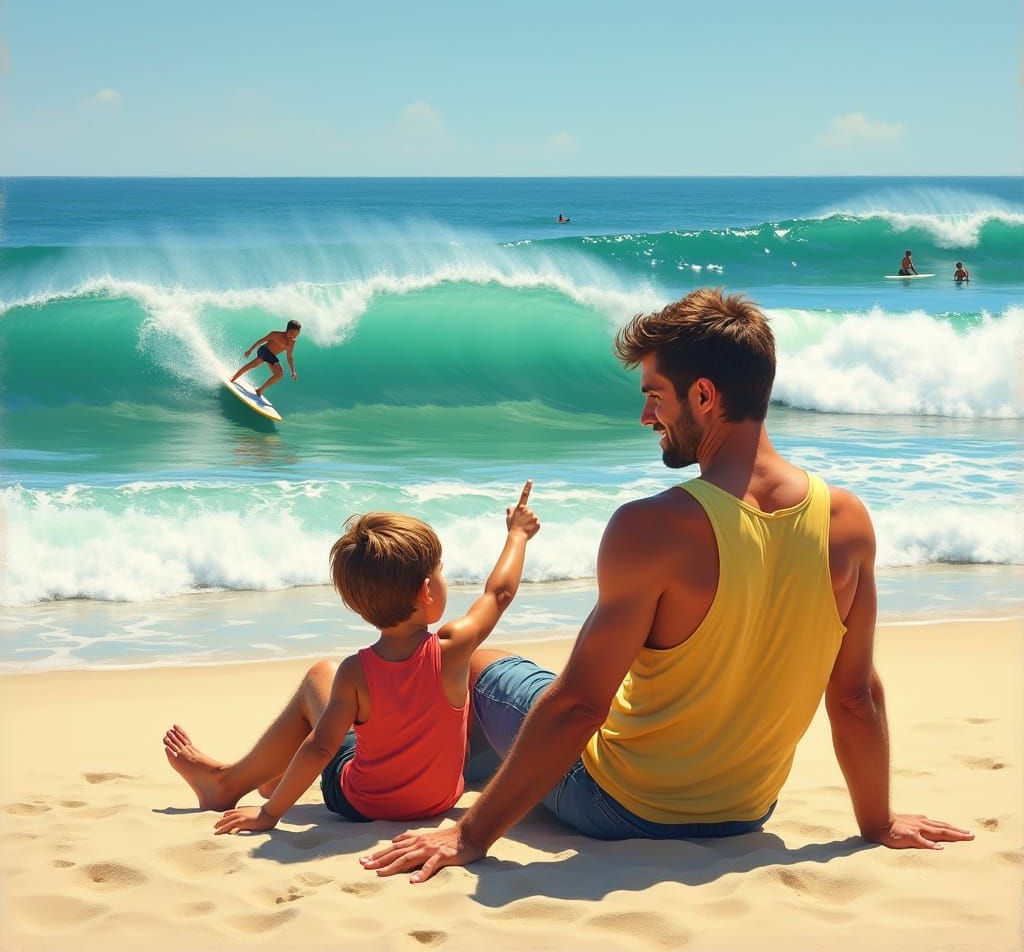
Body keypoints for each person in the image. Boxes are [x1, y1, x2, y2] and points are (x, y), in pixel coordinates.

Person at [360, 287, 974, 884]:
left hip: (621, 806)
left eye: (655, 396)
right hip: (745, 811)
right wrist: (878, 822)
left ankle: (411, 765)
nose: (645, 416)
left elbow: (579, 707)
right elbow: (856, 696)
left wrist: (469, 836)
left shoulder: (652, 528)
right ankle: (474, 766)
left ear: (703, 395)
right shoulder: (846, 521)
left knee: (479, 664)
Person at [162, 483, 540, 829]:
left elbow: (320, 747)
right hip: (438, 801)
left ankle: (244, 782)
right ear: (426, 591)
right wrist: (517, 535)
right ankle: (265, 777)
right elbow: (498, 594)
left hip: (361, 803)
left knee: (319, 675)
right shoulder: (454, 647)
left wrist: (269, 813)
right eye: (440, 572)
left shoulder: (355, 672)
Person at [230, 320, 302, 400]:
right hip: (264, 350)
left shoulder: (292, 342)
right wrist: (250, 350)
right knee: (255, 364)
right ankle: (233, 378)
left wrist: (293, 371)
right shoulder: (275, 334)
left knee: (279, 375)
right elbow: (262, 340)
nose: (292, 335)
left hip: (271, 356)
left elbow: (289, 356)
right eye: (291, 332)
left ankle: (259, 390)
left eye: (295, 334)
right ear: (287, 329)